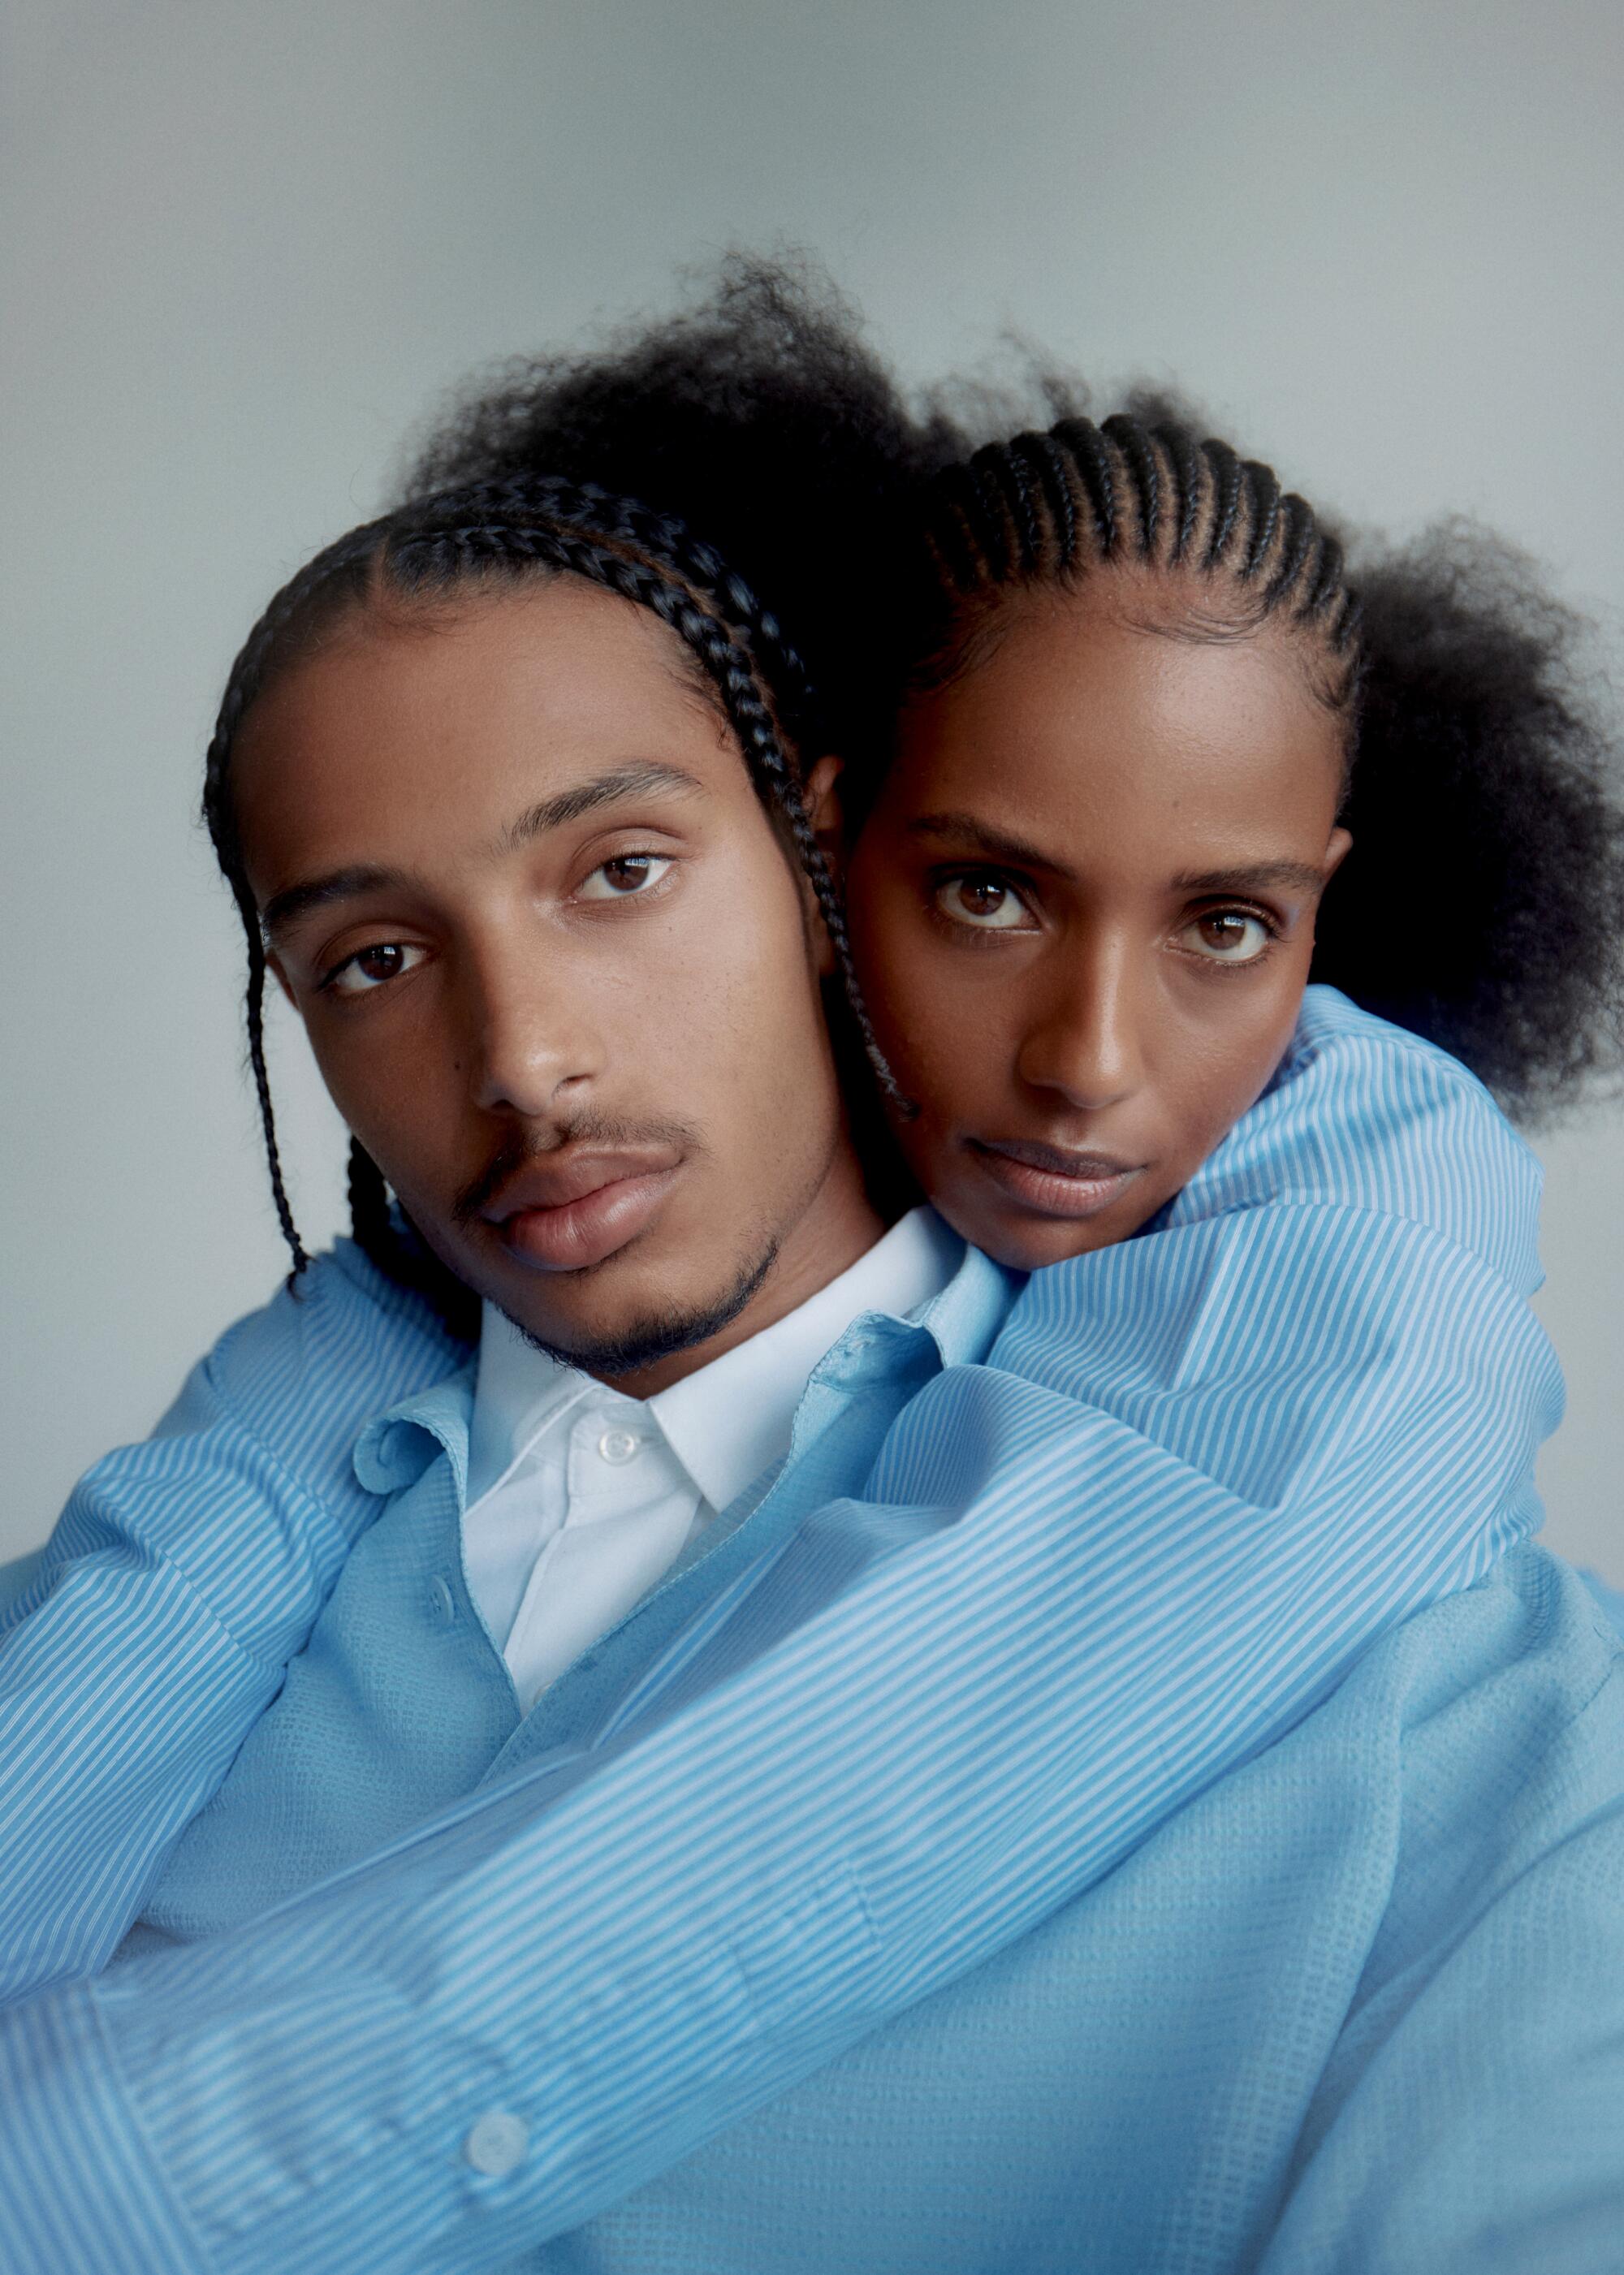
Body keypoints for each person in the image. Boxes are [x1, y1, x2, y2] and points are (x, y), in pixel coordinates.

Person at [1, 273, 1620, 2267]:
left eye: (620, 871)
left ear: (820, 849)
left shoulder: (1468, 1708)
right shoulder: (148, 1629)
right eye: (373, 960)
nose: (523, 1058)